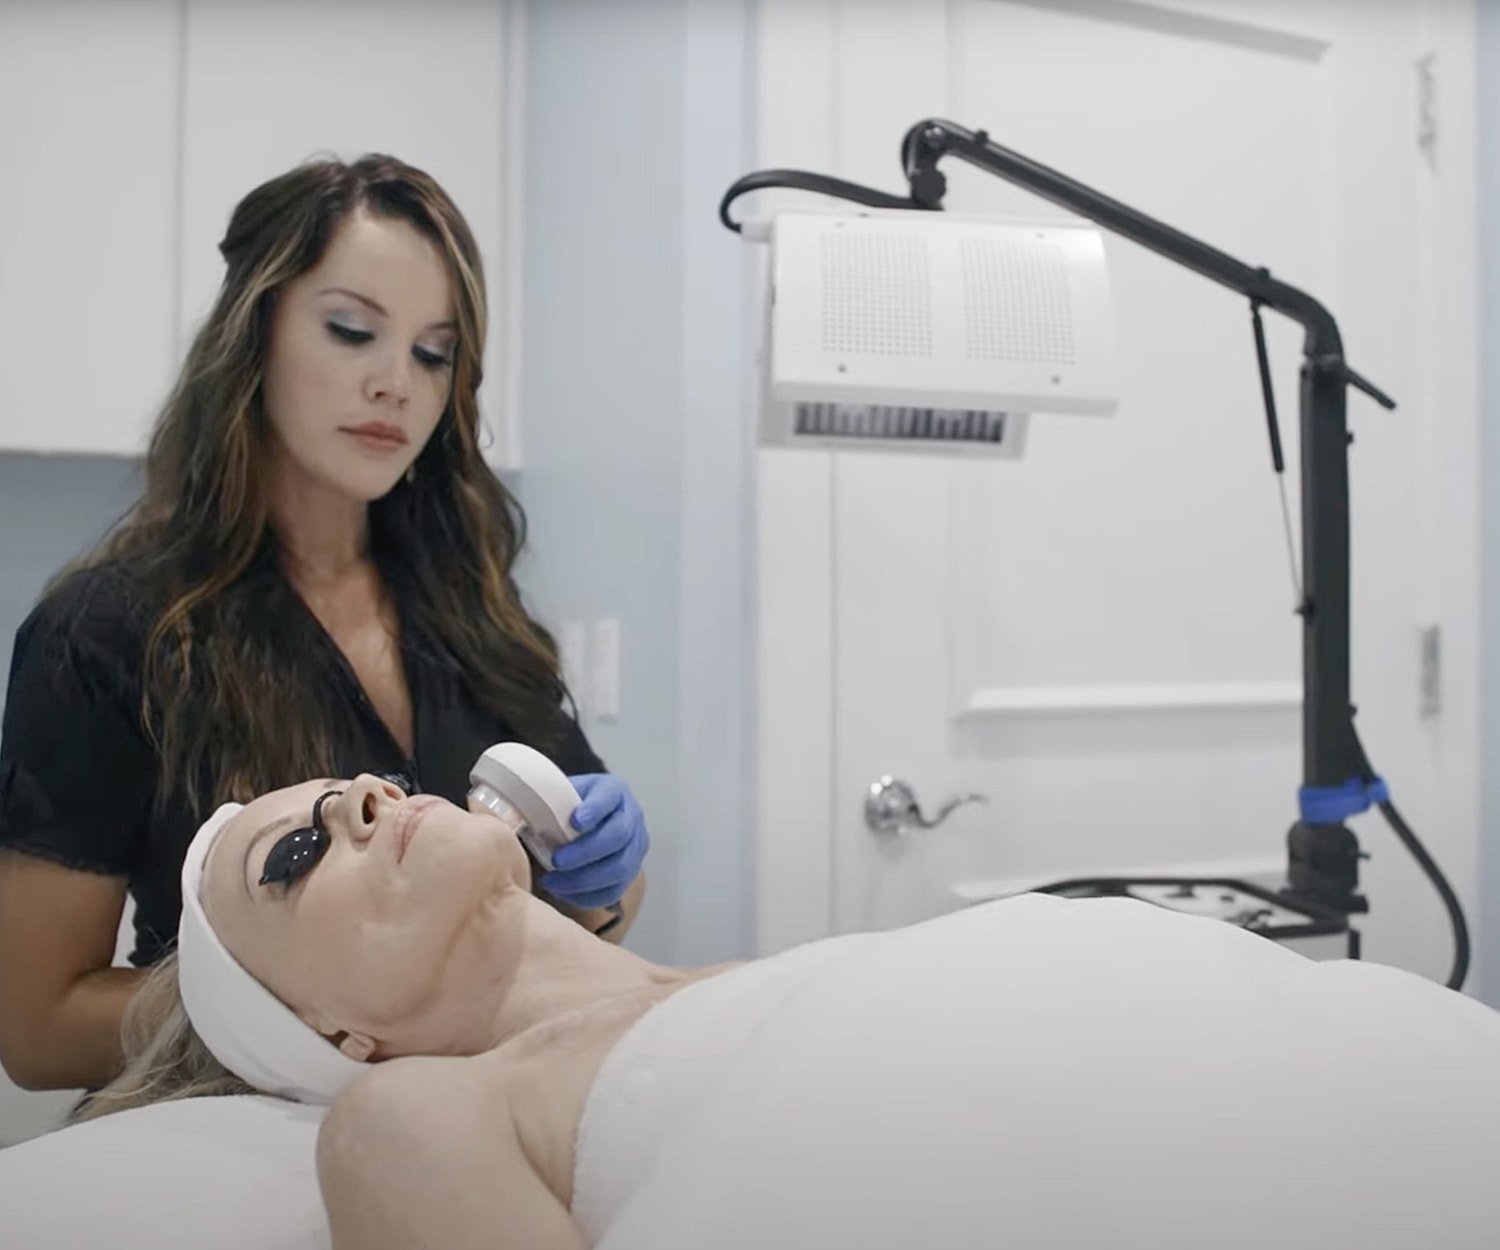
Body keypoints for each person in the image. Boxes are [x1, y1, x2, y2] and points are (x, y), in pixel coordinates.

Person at [78, 773, 1500, 1250]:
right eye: (300, 851)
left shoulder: (768, 978)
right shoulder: (409, 1113)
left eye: (354, 783)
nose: (363, 799)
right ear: (335, 1036)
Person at [0, 154, 650, 1095]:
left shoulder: (469, 610)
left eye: (434, 353)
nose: (397, 383)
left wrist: (605, 885)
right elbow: (36, 1025)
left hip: (487, 1115)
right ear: (252, 335)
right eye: (353, 332)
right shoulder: (108, 634)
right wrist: (297, 995)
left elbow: (587, 906)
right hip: (236, 1146)